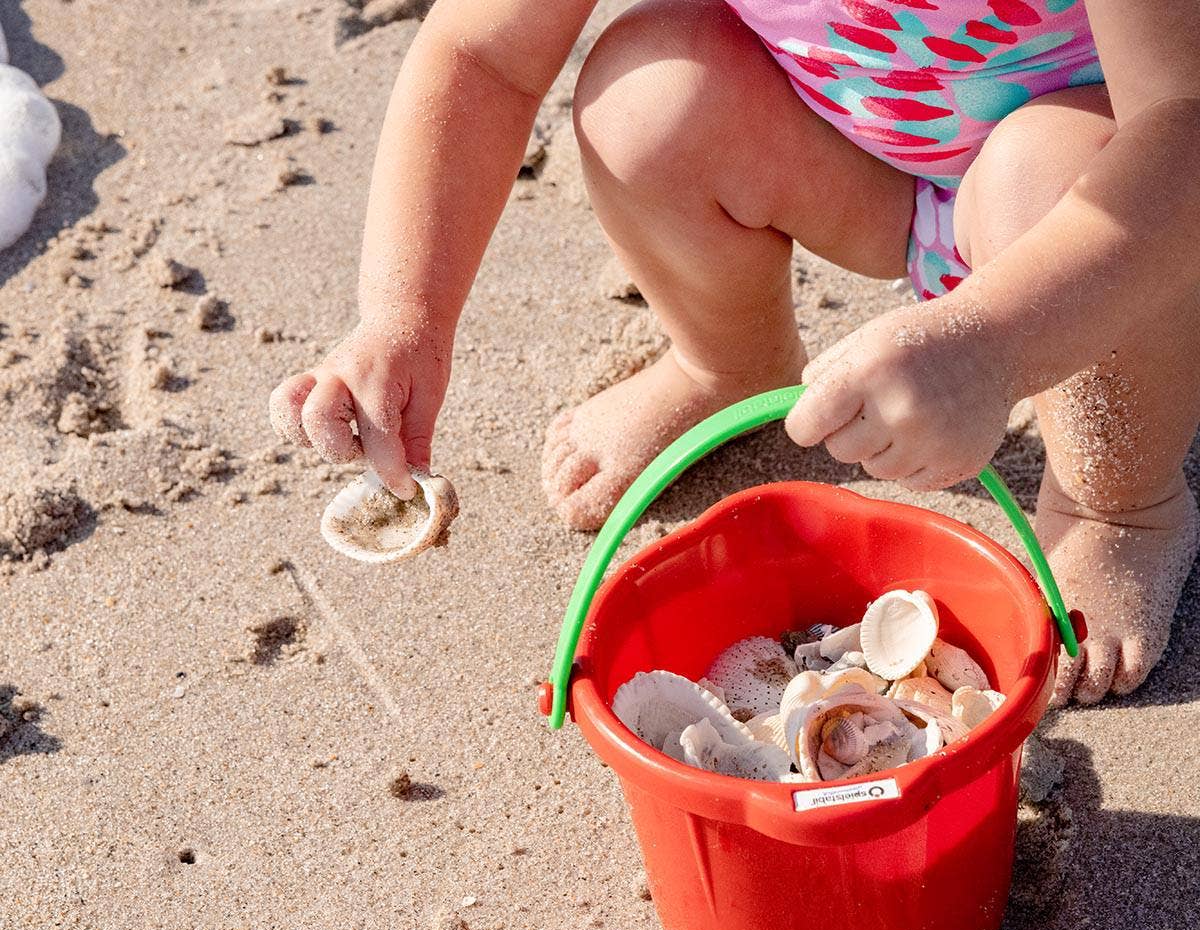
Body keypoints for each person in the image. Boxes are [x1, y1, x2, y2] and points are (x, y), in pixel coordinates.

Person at [268, 0, 1200, 705]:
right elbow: (480, 55)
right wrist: (404, 317)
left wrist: (991, 347)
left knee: (1040, 173)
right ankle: (727, 363)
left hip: (1116, 204)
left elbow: (1184, 130)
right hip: (873, 154)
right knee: (652, 94)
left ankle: (1122, 502)